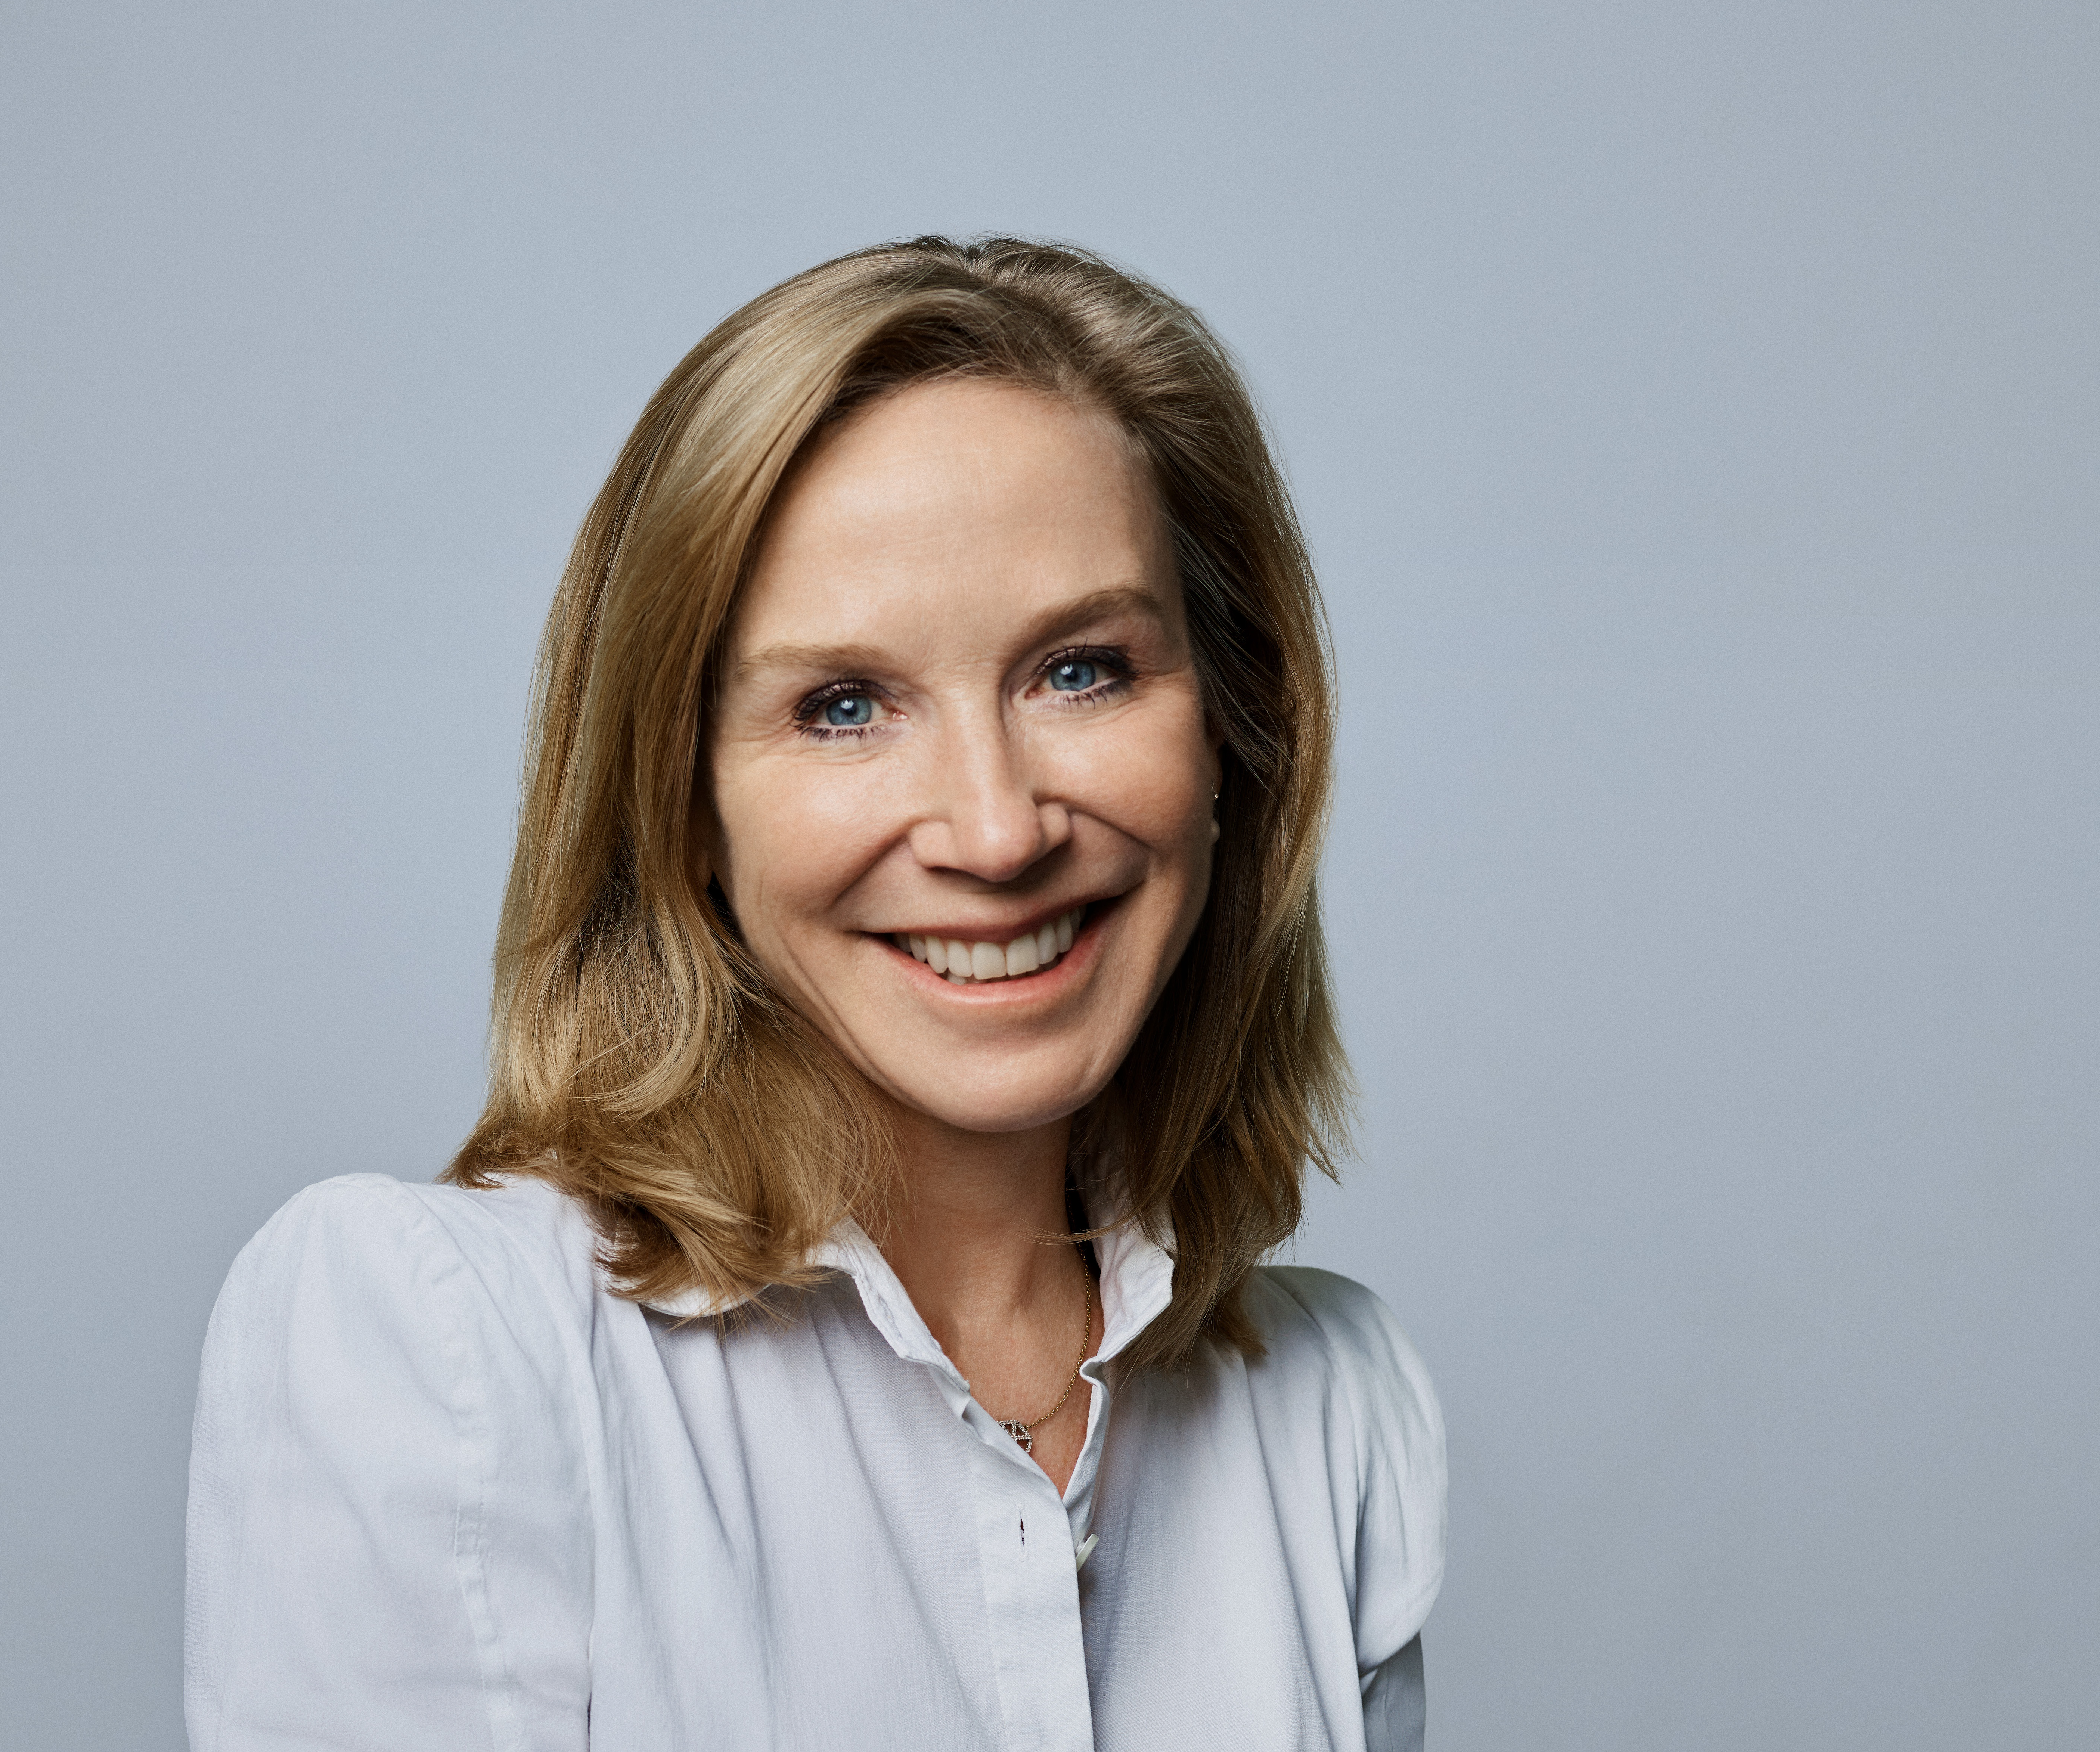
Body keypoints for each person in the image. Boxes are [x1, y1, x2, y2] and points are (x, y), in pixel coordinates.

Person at [184, 236, 1445, 1752]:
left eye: (1082, 671)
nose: (994, 831)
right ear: (681, 808)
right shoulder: (444, 1350)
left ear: (1235, 735)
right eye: (842, 707)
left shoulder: (1329, 1410)